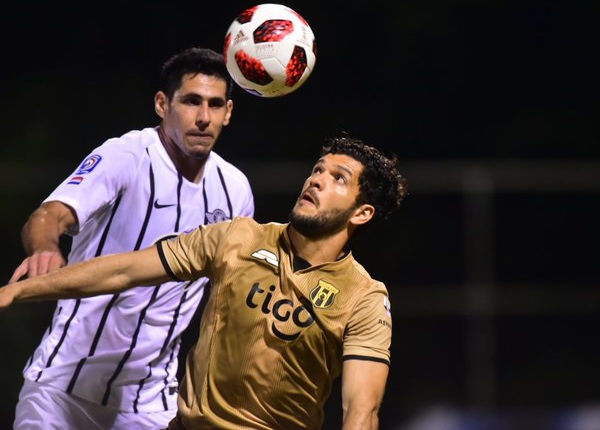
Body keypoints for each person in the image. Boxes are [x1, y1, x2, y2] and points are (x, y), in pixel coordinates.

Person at [1, 135, 407, 430]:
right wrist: (19, 289)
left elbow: (360, 411)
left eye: (338, 178)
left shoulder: (364, 298)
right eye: (318, 169)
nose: (316, 180)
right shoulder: (237, 237)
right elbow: (122, 270)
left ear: (362, 213)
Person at [8, 47, 255, 429]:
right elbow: (49, 214)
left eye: (215, 104)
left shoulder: (235, 190)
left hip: (149, 405)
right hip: (60, 391)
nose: (204, 117)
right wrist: (45, 247)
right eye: (191, 102)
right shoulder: (126, 157)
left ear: (229, 112)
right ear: (162, 104)